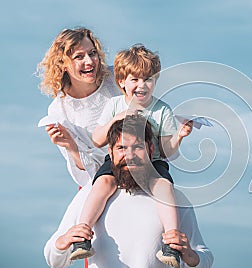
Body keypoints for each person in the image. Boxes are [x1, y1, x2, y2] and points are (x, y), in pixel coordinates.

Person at [72, 44, 193, 267]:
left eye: (148, 79)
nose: (141, 85)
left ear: (155, 82)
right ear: (122, 82)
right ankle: (82, 235)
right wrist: (117, 118)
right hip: (118, 160)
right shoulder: (114, 104)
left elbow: (167, 151)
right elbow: (97, 139)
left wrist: (180, 135)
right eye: (134, 79)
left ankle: (171, 242)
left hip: (152, 161)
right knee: (102, 183)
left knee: (164, 186)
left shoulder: (162, 109)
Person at [44, 115, 214, 268]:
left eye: (138, 147)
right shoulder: (90, 194)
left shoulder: (173, 198)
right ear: (110, 152)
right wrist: (62, 242)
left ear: (151, 150)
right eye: (121, 148)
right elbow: (54, 260)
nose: (130, 155)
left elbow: (204, 257)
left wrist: (191, 256)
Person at [36, 27, 120, 187]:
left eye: (92, 53)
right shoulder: (58, 111)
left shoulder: (116, 78)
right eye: (79, 57)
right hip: (102, 181)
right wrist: (71, 147)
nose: (89, 61)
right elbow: (86, 169)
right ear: (63, 65)